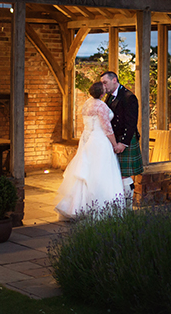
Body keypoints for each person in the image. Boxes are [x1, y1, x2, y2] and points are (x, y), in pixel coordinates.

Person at [54, 81, 125, 220]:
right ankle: (100, 209)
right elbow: (107, 128)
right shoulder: (101, 106)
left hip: (87, 139)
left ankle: (78, 207)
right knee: (100, 174)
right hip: (99, 141)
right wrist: (115, 144)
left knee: (86, 173)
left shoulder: (87, 103)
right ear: (102, 93)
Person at [99, 71, 144, 208]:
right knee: (117, 173)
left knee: (125, 174)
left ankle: (128, 208)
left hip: (125, 139)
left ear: (114, 80)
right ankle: (119, 206)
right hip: (114, 139)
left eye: (105, 82)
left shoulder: (129, 97)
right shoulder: (109, 97)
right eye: (102, 83)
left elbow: (131, 123)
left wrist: (123, 143)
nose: (103, 86)